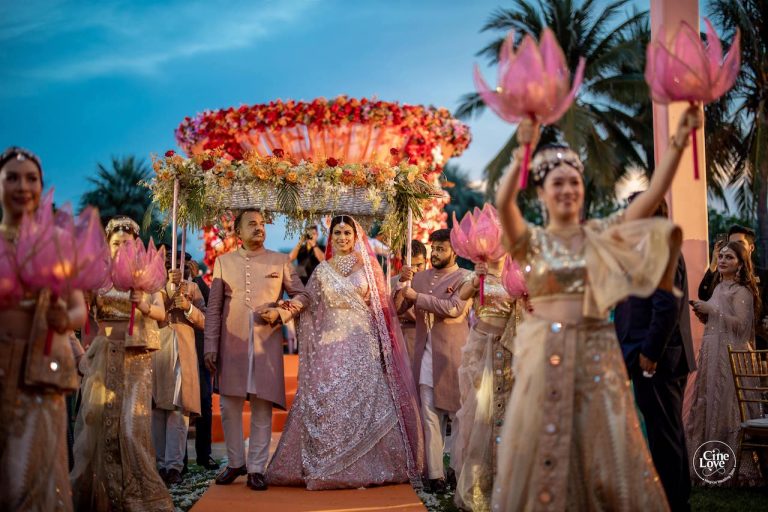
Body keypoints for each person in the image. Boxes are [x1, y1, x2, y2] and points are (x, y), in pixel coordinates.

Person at [492, 105, 702, 511]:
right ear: (542, 193)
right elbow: (504, 205)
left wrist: (678, 143)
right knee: (546, 446)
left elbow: (654, 194)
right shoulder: (531, 241)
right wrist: (522, 149)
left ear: (583, 190)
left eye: (574, 182)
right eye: (557, 183)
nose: (567, 189)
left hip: (594, 356)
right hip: (545, 358)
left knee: (599, 449)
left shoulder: (600, 235)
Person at [267, 215, 425, 490]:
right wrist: (287, 308)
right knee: (330, 398)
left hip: (363, 342)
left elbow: (384, 309)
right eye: (337, 232)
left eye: (347, 233)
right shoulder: (322, 270)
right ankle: (327, 465)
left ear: (356, 236)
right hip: (330, 344)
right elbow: (307, 299)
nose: (341, 237)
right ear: (332, 237)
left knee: (365, 399)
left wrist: (401, 288)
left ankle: (368, 466)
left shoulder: (369, 269)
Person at [0, 147, 86, 512]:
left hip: (42, 370)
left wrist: (64, 321)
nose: (23, 186)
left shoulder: (57, 245)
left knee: (38, 471)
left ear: (41, 185)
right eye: (12, 177)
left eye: (31, 178)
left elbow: (79, 308)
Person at [71, 216, 174, 511]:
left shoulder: (147, 274)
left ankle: (138, 497)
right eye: (116, 244)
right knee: (97, 425)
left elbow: (161, 314)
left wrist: (142, 303)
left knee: (131, 427)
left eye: (127, 243)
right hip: (103, 357)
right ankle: (104, 497)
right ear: (108, 245)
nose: (121, 248)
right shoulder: (97, 277)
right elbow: (80, 316)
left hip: (137, 357)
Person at [204, 209, 308, 491]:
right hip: (231, 343)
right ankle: (236, 462)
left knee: (262, 406)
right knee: (228, 405)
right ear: (238, 232)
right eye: (252, 224)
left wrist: (282, 311)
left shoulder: (280, 260)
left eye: (262, 224)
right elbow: (213, 310)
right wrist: (210, 345)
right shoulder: (223, 263)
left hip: (267, 344)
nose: (259, 228)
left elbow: (302, 296)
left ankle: (257, 469)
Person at [615, 195, 696, 511]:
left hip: (658, 357)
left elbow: (666, 306)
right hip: (643, 353)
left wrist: (650, 353)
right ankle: (671, 497)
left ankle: (673, 502)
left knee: (665, 434)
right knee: (664, 431)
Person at [394, 229, 472, 493]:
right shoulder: (421, 277)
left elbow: (454, 309)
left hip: (453, 357)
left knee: (458, 418)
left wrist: (419, 298)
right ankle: (435, 475)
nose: (436, 254)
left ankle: (457, 471)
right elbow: (397, 310)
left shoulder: (466, 278)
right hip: (424, 356)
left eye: (441, 249)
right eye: (434, 248)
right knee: (430, 417)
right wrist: (401, 286)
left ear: (455, 251)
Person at [686, 241, 762, 484]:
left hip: (731, 359)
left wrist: (713, 311)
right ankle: (708, 465)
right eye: (721, 256)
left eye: (729, 257)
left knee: (727, 409)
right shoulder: (719, 288)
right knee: (708, 406)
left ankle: (734, 468)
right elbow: (718, 318)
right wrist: (705, 313)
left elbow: (742, 326)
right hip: (713, 355)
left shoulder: (743, 292)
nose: (722, 261)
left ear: (740, 264)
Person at [453, 256, 522, 511]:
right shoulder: (478, 272)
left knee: (508, 419)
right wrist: (475, 278)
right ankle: (478, 491)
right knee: (480, 416)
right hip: (481, 351)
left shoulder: (518, 270)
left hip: (509, 350)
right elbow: (462, 296)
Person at [151, 252, 206, 485]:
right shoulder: (154, 288)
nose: (173, 269)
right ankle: (158, 465)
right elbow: (152, 313)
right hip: (158, 351)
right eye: (167, 265)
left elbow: (206, 320)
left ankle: (174, 466)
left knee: (179, 410)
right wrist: (167, 288)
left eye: (177, 265)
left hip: (184, 353)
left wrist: (189, 308)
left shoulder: (192, 289)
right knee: (157, 409)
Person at [699, 225, 768, 349]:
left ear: (751, 247)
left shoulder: (764, 276)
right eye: (731, 244)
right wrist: (714, 262)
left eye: (740, 243)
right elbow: (704, 295)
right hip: (727, 345)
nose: (735, 247)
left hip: (759, 344)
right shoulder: (722, 277)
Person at [187, 258, 217, 470]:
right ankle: (176, 463)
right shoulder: (158, 283)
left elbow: (212, 309)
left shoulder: (197, 283)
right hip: (172, 351)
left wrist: (196, 277)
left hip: (198, 352)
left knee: (205, 403)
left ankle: (204, 456)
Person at [391, 239, 428, 361]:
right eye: (411, 265)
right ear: (403, 263)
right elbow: (393, 308)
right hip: (399, 334)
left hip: (425, 334)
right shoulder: (393, 281)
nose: (415, 270)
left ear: (426, 261)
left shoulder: (432, 281)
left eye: (419, 265)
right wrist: (402, 282)